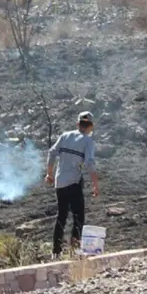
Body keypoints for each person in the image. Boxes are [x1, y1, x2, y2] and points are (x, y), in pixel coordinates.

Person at [45, 111, 100, 259]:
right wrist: (95, 184)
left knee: (61, 216)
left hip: (60, 182)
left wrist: (49, 174)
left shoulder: (65, 136)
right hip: (74, 183)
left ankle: (56, 252)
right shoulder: (88, 142)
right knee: (78, 216)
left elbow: (51, 153)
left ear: (78, 124)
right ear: (91, 126)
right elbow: (89, 163)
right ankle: (75, 251)